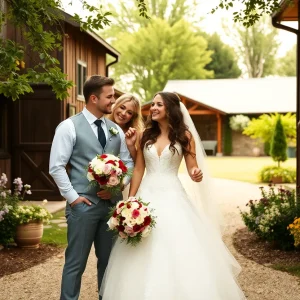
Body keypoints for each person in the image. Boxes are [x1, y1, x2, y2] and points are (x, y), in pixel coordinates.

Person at [100, 92, 245, 299]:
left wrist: (196, 173)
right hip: (146, 195)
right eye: (154, 105)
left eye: (159, 104)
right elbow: (139, 169)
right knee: (140, 246)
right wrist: (130, 200)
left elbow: (193, 167)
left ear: (170, 108)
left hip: (173, 196)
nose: (154, 108)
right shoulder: (145, 135)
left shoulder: (185, 136)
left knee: (178, 245)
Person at [49, 75, 134, 300]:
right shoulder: (68, 127)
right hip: (82, 207)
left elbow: (129, 164)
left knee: (108, 263)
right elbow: (56, 167)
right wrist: (73, 198)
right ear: (93, 98)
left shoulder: (115, 129)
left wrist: (119, 185)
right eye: (110, 96)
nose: (113, 101)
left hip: (110, 207)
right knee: (75, 263)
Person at [107, 93, 144, 162]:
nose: (123, 113)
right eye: (122, 107)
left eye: (129, 113)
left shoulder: (136, 135)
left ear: (133, 117)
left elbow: (139, 165)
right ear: (115, 106)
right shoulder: (102, 125)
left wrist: (131, 146)